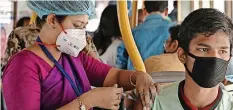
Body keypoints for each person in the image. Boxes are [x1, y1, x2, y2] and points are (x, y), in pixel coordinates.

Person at [2, 1, 156, 110]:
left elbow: (114, 77)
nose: (81, 34)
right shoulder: (22, 66)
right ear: (52, 20)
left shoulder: (73, 57)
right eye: (76, 26)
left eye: (84, 27)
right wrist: (88, 101)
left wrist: (139, 77)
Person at [136, 8, 233, 110]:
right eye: (204, 49)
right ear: (182, 55)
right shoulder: (153, 103)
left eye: (222, 51)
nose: (215, 58)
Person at [116, 0, 173, 70]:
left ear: (144, 11)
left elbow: (121, 60)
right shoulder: (175, 31)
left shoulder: (132, 33)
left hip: (137, 78)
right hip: (168, 79)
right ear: (166, 11)